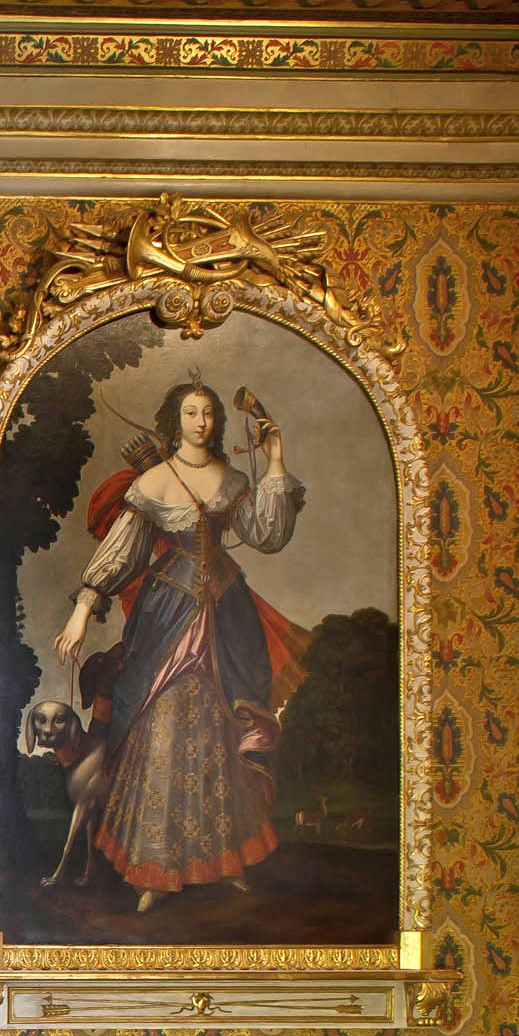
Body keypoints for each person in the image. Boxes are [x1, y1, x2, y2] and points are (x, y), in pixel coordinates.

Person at [52, 380, 311, 913]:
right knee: (162, 727)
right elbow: (123, 551)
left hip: (225, 615)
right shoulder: (154, 482)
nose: (202, 421)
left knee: (219, 728)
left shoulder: (234, 480)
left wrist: (277, 460)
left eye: (210, 413)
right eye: (192, 413)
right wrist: (82, 609)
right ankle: (153, 869)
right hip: (167, 615)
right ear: (175, 421)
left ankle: (222, 861)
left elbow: (268, 535)